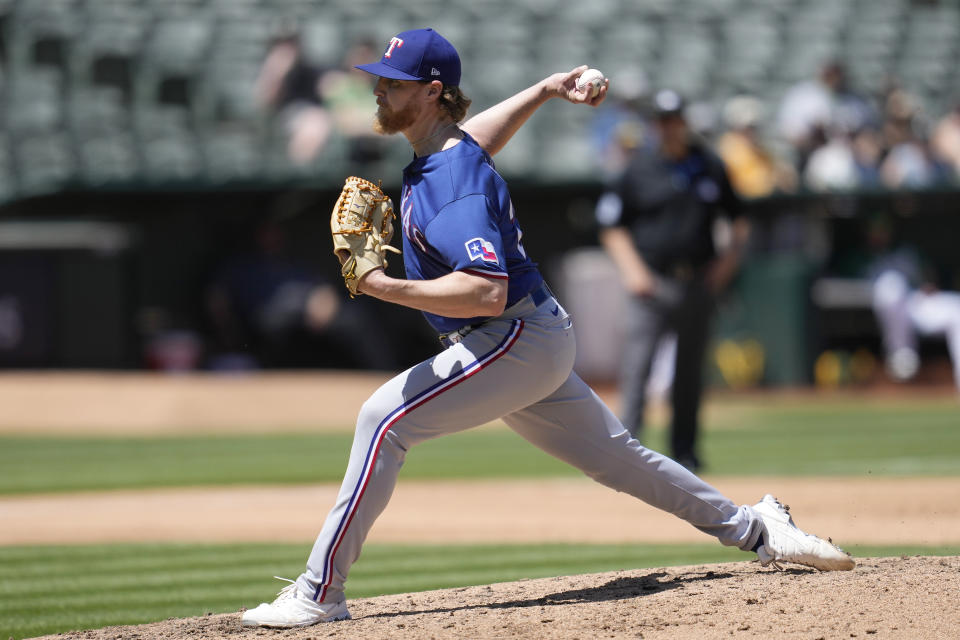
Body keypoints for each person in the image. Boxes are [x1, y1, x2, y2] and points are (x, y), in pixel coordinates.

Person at [241, 28, 854, 629]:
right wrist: (544, 89)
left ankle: (320, 592)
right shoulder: (446, 152)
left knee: (383, 422)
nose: (378, 89)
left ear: (430, 93)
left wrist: (383, 287)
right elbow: (476, 136)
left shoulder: (451, 181)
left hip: (509, 336)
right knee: (620, 460)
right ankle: (756, 526)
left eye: (393, 83)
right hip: (532, 335)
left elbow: (485, 288)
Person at [594, 88, 749, 472]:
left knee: (690, 376)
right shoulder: (639, 168)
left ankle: (686, 453)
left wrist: (724, 266)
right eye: (661, 120)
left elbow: (739, 220)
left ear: (683, 122)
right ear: (654, 125)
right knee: (638, 370)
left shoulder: (709, 165)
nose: (668, 127)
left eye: (674, 119)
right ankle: (625, 455)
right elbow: (611, 226)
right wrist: (633, 272)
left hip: (696, 281)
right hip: (652, 282)